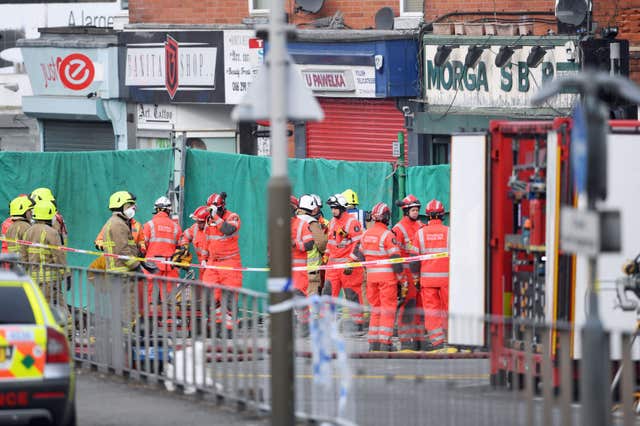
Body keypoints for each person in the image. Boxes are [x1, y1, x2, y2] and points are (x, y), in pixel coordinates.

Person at [352, 202, 403, 351]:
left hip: (371, 279)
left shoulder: (366, 234)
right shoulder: (388, 235)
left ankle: (373, 343)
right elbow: (396, 260)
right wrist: (402, 280)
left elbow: (359, 254)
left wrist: (368, 268)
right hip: (387, 280)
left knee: (376, 310)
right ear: (386, 217)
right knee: (387, 310)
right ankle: (385, 343)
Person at [411, 199, 453, 352]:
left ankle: (437, 342)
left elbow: (414, 260)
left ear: (427, 216)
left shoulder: (420, 234)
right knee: (448, 308)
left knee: (431, 311)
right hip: (447, 279)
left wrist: (415, 278)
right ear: (442, 215)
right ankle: (451, 340)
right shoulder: (449, 232)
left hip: (427, 281)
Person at [322, 193, 365, 333]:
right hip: (333, 267)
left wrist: (351, 261)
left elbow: (359, 244)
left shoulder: (352, 223)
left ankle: (357, 325)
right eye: (332, 208)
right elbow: (331, 242)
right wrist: (326, 255)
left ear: (342, 207)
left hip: (348, 267)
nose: (333, 211)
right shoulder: (333, 222)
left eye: (335, 208)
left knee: (352, 295)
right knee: (328, 294)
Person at [202, 192, 242, 334]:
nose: (212, 211)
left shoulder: (232, 217)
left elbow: (228, 229)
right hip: (213, 263)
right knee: (209, 296)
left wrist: (216, 217)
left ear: (222, 207)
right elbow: (207, 239)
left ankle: (230, 329)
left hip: (230, 263)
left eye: (216, 209)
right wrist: (204, 258)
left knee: (229, 298)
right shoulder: (209, 219)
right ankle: (217, 324)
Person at [393, 194, 426, 351]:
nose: (415, 212)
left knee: (420, 305)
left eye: (417, 210)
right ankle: (406, 340)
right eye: (412, 210)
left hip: (421, 273)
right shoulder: (398, 229)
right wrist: (399, 279)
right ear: (406, 211)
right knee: (407, 306)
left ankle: (419, 339)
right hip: (406, 274)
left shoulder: (421, 226)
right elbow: (395, 255)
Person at [22, 200, 67, 306]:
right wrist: (66, 273)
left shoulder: (28, 231)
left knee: (37, 306)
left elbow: (23, 256)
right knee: (56, 307)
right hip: (50, 280)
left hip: (33, 278)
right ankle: (65, 322)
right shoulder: (52, 232)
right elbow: (58, 255)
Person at [143, 196, 182, 302]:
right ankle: (168, 317)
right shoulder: (176, 227)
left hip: (151, 266)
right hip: (169, 266)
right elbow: (180, 248)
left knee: (149, 296)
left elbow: (142, 246)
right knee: (169, 298)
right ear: (169, 210)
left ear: (156, 210)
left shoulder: (148, 225)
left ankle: (149, 316)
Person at [298, 194, 328, 297]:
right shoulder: (312, 222)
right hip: (311, 269)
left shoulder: (293, 220)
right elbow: (322, 244)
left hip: (295, 269)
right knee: (311, 298)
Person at [174, 205, 210, 277]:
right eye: (197, 221)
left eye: (200, 222)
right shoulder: (195, 228)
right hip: (202, 265)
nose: (198, 223)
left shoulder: (213, 231)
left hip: (212, 265)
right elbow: (185, 236)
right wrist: (184, 246)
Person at [5, 195, 34, 261]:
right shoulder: (26, 227)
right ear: (22, 211)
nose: (31, 213)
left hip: (14, 264)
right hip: (24, 264)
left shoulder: (10, 227)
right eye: (29, 210)